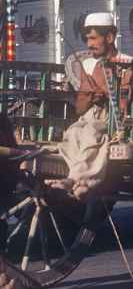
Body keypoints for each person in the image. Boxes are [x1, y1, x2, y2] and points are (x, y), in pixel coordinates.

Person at [50, 12, 133, 200]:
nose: (89, 44)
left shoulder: (127, 63)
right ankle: (81, 182)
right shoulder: (87, 65)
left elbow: (124, 102)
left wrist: (110, 91)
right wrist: (89, 96)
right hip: (89, 116)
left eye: (93, 38)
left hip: (112, 118)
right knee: (72, 134)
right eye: (87, 39)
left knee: (90, 135)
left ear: (109, 37)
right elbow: (80, 108)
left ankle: (74, 180)